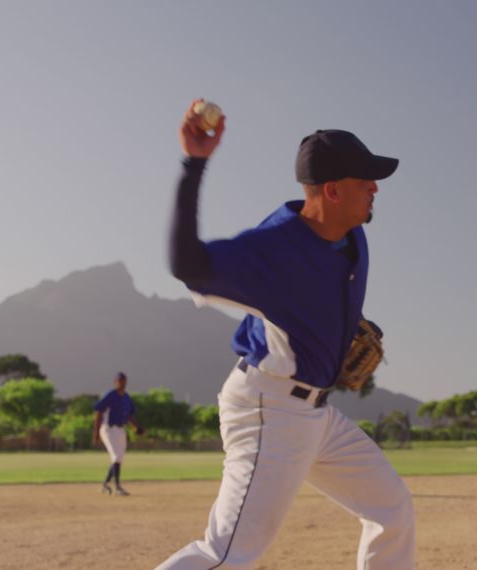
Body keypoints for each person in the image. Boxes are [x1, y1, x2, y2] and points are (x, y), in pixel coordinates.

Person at [157, 101, 415, 569]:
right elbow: (186, 264)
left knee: (391, 508)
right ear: (333, 190)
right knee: (227, 554)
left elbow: (318, 293)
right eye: (365, 180)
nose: (376, 188)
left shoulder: (352, 236)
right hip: (269, 410)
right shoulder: (273, 251)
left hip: (318, 416)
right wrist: (194, 164)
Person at [93, 372, 144, 496]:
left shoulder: (127, 398)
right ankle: (117, 487)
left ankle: (105, 485)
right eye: (119, 380)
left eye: (123, 380)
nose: (121, 383)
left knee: (118, 459)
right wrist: (96, 433)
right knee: (116, 457)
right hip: (108, 429)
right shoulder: (110, 396)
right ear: (115, 382)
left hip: (120, 430)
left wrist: (135, 427)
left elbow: (129, 416)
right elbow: (99, 413)